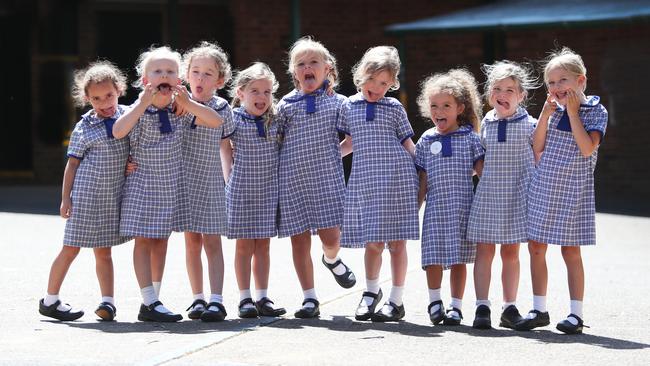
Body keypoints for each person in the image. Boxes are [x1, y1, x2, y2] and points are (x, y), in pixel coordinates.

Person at [112, 46, 222, 322]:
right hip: (141, 184)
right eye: (157, 71)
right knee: (143, 241)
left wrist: (189, 103)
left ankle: (154, 301)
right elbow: (118, 131)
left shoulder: (180, 109)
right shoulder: (136, 108)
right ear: (144, 79)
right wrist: (141, 105)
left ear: (179, 79)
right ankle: (148, 300)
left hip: (167, 187)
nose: (164, 75)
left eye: (170, 71)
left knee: (161, 242)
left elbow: (215, 121)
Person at [516, 47, 608, 334]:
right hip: (544, 184)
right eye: (551, 83)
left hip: (574, 189)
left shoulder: (596, 111)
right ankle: (539, 308)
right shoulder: (552, 111)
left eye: (562, 81)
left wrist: (572, 112)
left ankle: (575, 314)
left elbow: (586, 147)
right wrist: (544, 115)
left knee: (570, 250)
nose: (557, 88)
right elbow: (538, 146)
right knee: (536, 247)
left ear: (580, 81)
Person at [39, 61, 130, 322]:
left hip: (111, 198)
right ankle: (50, 300)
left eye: (109, 95)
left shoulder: (128, 117)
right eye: (96, 98)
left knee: (104, 252)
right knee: (71, 248)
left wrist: (131, 163)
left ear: (119, 90)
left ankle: (108, 303)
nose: (104, 103)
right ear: (87, 99)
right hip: (86, 197)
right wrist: (66, 197)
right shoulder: (84, 126)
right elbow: (72, 164)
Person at [276, 37, 356, 318]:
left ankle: (331, 259)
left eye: (313, 63)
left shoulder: (339, 103)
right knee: (299, 241)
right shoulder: (285, 105)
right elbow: (277, 141)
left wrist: (336, 153)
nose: (307, 67)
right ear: (294, 72)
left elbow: (352, 138)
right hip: (292, 182)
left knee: (331, 236)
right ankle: (309, 298)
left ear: (327, 69)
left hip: (327, 180)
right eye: (301, 64)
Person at [338, 46, 419, 322]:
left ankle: (396, 299)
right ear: (361, 75)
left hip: (398, 180)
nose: (377, 87)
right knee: (373, 242)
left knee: (397, 243)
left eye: (384, 83)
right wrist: (328, 158)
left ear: (392, 84)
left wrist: (429, 169)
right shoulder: (348, 106)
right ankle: (371, 292)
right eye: (372, 79)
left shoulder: (394, 107)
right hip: (366, 182)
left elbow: (408, 143)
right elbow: (349, 143)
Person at [468, 60, 537, 329]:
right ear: (489, 94)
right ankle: (482, 306)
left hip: (517, 195)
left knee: (511, 252)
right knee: (484, 250)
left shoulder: (530, 124)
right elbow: (479, 155)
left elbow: (539, 157)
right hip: (489, 193)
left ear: (521, 95)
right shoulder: (486, 121)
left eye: (510, 90)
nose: (503, 94)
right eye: (497, 88)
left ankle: (509, 307)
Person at [414, 69, 484, 326]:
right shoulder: (425, 140)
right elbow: (422, 181)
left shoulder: (470, 139)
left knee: (458, 259)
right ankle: (435, 301)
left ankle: (455, 306)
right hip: (435, 210)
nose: (439, 111)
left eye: (446, 105)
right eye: (434, 106)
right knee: (432, 257)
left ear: (459, 108)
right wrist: (415, 208)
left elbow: (482, 175)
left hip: (463, 209)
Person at [221, 62, 286, 319]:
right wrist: (229, 181)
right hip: (241, 190)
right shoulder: (234, 119)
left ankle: (262, 296)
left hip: (268, 190)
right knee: (244, 246)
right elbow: (224, 148)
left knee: (264, 247)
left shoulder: (276, 119)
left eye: (267, 92)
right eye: (255, 91)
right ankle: (245, 297)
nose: (262, 97)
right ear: (240, 93)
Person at [179, 41, 234, 322]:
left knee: (212, 241)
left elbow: (225, 146)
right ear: (186, 75)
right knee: (191, 243)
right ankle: (197, 298)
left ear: (220, 80)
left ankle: (216, 299)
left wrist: (229, 182)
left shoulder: (221, 107)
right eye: (195, 72)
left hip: (211, 183)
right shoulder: (176, 105)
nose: (200, 78)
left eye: (208, 73)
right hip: (185, 183)